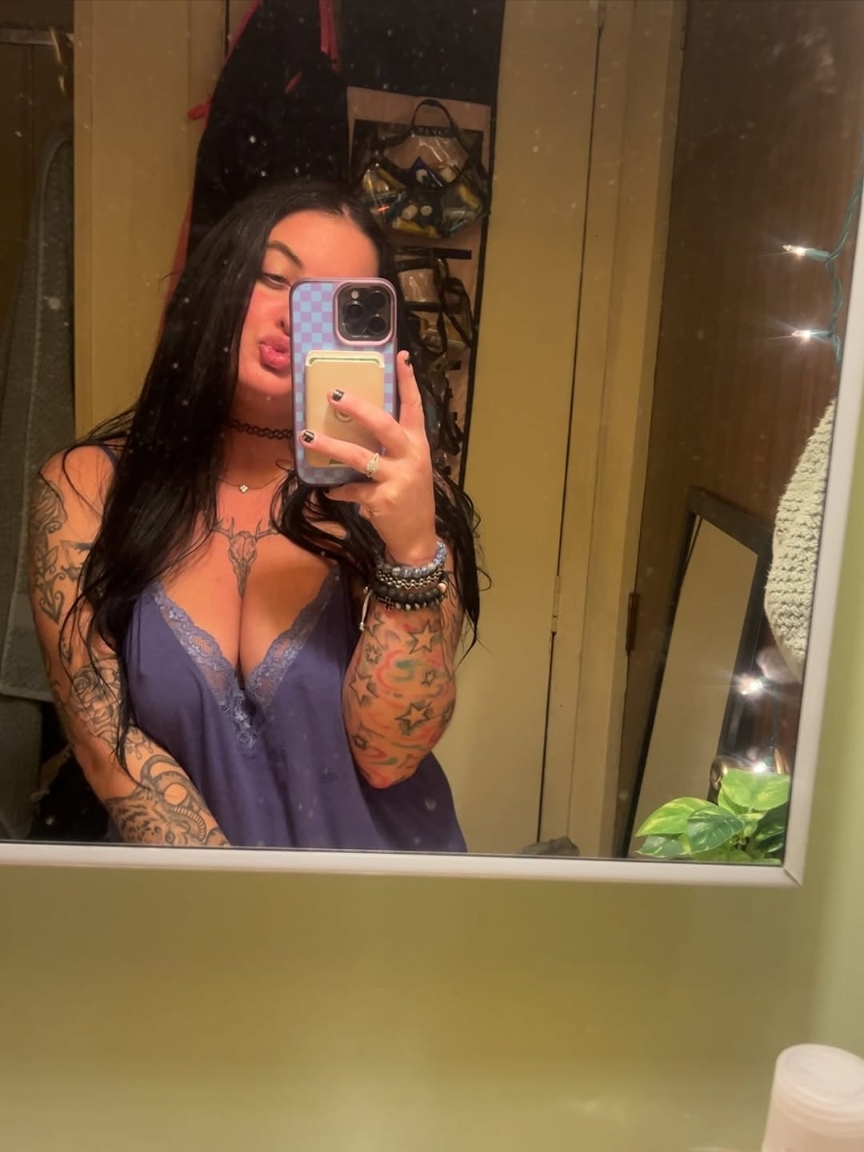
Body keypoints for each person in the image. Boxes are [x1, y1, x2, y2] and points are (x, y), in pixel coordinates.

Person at [28, 181, 481, 852]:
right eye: (275, 279)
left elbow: (389, 754)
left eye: (332, 302)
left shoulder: (397, 499)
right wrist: (240, 908)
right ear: (221, 279)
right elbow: (107, 749)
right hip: (194, 908)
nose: (296, 317)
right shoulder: (88, 489)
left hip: (385, 899)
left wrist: (411, 552)